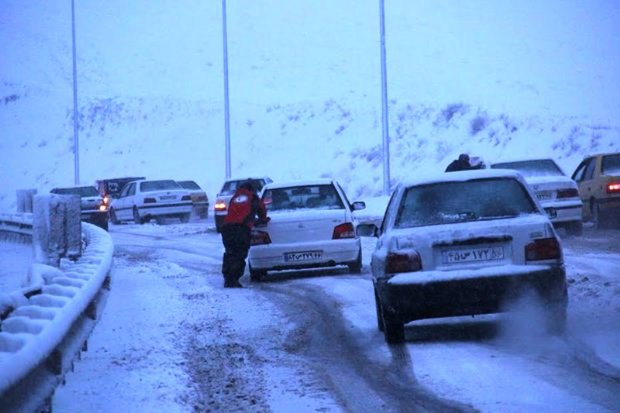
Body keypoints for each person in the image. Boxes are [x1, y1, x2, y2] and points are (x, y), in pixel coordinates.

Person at [220, 179, 269, 288]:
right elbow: (262, 211)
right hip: (241, 229)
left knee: (230, 253)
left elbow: (234, 212)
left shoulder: (235, 197)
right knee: (239, 254)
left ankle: (228, 278)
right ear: (253, 189)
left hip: (227, 228)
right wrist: (262, 220)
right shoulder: (253, 197)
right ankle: (233, 280)